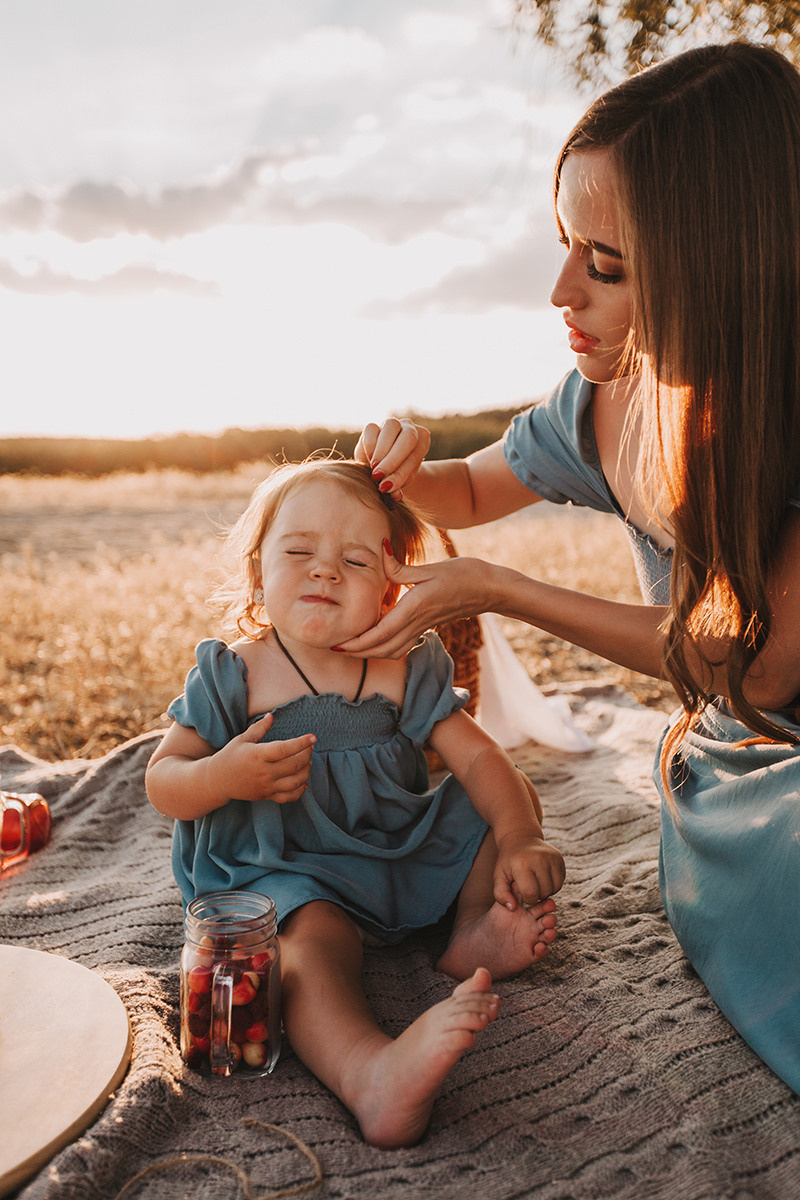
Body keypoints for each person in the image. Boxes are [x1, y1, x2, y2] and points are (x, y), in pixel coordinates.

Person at [339, 42, 800, 1094]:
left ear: (723, 261)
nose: (559, 292)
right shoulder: (599, 403)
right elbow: (468, 491)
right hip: (751, 763)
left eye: (605, 264)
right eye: (562, 245)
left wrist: (497, 589)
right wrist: (402, 467)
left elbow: (760, 667)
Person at [145, 458, 565, 1147]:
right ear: (257, 571)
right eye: (300, 552)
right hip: (282, 865)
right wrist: (224, 775)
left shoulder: (405, 664)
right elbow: (164, 779)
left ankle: (468, 930)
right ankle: (369, 1071)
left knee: (484, 798)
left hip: (387, 845)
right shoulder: (234, 673)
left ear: (394, 586)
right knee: (309, 948)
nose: (324, 571)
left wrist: (519, 836)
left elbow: (482, 757)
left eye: (356, 559)